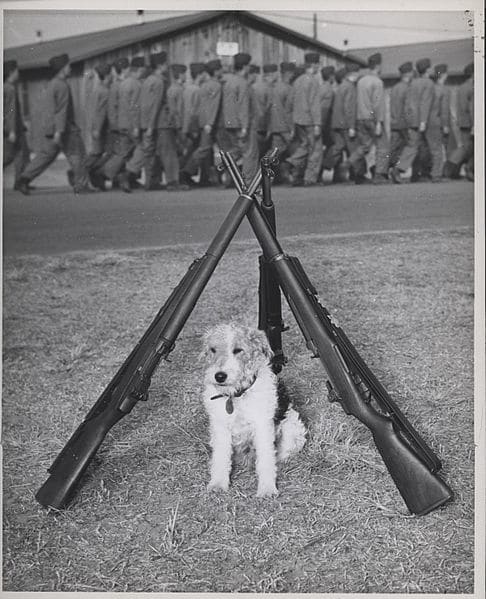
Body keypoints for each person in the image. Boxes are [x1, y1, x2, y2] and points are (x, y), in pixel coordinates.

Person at [17, 53, 91, 195]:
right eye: (68, 66)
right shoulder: (62, 85)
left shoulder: (51, 84)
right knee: (77, 154)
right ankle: (81, 185)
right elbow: (61, 111)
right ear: (62, 68)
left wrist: (52, 130)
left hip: (51, 128)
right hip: (65, 129)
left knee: (45, 156)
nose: (70, 68)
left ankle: (24, 179)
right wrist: (59, 131)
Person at [95, 55, 145, 192]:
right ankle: (126, 174)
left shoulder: (122, 84)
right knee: (141, 148)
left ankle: (105, 174)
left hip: (122, 124)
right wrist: (133, 126)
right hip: (128, 124)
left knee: (123, 153)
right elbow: (129, 107)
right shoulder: (129, 84)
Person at [390, 57, 434, 183]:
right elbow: (425, 103)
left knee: (419, 147)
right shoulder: (428, 83)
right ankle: (399, 169)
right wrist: (423, 121)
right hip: (421, 120)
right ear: (428, 69)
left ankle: (418, 173)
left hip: (410, 120)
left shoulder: (412, 83)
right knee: (414, 146)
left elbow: (408, 103)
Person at [180, 59, 223, 187]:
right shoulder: (215, 85)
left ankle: (208, 177)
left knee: (205, 150)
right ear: (216, 71)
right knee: (204, 149)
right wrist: (209, 123)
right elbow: (212, 106)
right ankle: (185, 173)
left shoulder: (204, 85)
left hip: (204, 122)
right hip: (211, 124)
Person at [349, 53, 389, 184]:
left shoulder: (361, 81)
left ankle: (352, 159)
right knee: (383, 146)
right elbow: (377, 103)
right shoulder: (377, 82)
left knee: (365, 145)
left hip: (361, 118)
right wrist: (379, 122)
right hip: (373, 118)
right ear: (378, 65)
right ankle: (379, 174)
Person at [285, 52, 322, 186]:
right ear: (314, 65)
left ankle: (293, 162)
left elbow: (290, 103)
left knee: (305, 145)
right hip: (310, 120)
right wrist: (317, 123)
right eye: (318, 64)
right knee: (316, 149)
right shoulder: (313, 81)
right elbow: (315, 104)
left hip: (298, 120)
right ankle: (310, 178)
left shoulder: (298, 81)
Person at [321, 62, 360, 183]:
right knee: (354, 149)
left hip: (336, 123)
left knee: (337, 148)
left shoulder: (341, 87)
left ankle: (320, 168)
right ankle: (359, 174)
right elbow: (349, 108)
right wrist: (352, 126)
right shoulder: (350, 87)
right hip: (346, 124)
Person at [218, 52, 252, 181]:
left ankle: (227, 176)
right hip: (238, 122)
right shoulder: (242, 83)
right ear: (245, 66)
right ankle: (220, 168)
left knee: (234, 149)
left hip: (228, 120)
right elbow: (243, 105)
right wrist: (244, 126)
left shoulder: (228, 81)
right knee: (243, 151)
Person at [138, 51, 168, 191]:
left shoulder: (147, 80)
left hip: (144, 120)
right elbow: (155, 105)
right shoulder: (158, 81)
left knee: (148, 152)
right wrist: (151, 125)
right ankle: (150, 182)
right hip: (152, 122)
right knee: (150, 152)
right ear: (161, 65)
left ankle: (151, 181)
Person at [3, 59, 30, 191]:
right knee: (8, 156)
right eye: (16, 70)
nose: (18, 73)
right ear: (11, 72)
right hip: (11, 129)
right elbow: (10, 111)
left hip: (12, 127)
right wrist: (12, 130)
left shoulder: (5, 87)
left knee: (20, 154)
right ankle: (19, 182)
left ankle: (19, 182)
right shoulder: (10, 89)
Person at [444, 62, 474, 181]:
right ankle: (467, 168)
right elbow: (471, 108)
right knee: (469, 148)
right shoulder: (471, 87)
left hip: (464, 122)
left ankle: (451, 168)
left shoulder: (462, 87)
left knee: (467, 148)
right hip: (470, 123)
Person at [267, 61, 296, 183]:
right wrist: (292, 128)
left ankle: (261, 170)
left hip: (275, 124)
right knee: (295, 149)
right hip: (285, 125)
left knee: (276, 151)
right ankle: (295, 174)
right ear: (290, 73)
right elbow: (289, 111)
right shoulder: (288, 89)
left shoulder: (275, 87)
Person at [84, 63, 112, 189]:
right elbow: (101, 112)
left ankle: (87, 175)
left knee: (98, 153)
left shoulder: (97, 89)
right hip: (100, 128)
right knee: (97, 154)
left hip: (95, 126)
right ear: (107, 75)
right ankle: (79, 172)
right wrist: (97, 129)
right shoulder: (105, 91)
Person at [163, 63, 189, 191]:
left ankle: (174, 180)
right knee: (173, 153)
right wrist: (180, 128)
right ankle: (173, 181)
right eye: (184, 73)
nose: (186, 76)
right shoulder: (177, 89)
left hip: (173, 125)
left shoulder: (173, 88)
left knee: (173, 153)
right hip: (176, 125)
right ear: (180, 75)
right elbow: (176, 111)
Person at [423, 64, 450, 182]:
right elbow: (444, 110)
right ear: (444, 75)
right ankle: (436, 174)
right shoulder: (444, 90)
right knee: (438, 150)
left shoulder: (430, 87)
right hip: (437, 122)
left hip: (427, 121)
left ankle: (428, 172)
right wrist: (445, 125)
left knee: (429, 149)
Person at [180, 62, 206, 177]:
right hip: (193, 125)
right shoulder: (196, 90)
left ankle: (184, 174)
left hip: (187, 125)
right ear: (200, 74)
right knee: (192, 151)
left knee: (189, 151)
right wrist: (193, 128)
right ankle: (184, 174)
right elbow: (193, 111)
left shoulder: (187, 88)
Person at [388, 61, 413, 172]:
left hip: (394, 122)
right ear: (409, 73)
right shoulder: (407, 88)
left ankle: (381, 168)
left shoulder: (395, 88)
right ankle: (398, 169)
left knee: (394, 148)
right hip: (404, 123)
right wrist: (411, 123)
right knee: (411, 146)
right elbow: (407, 109)